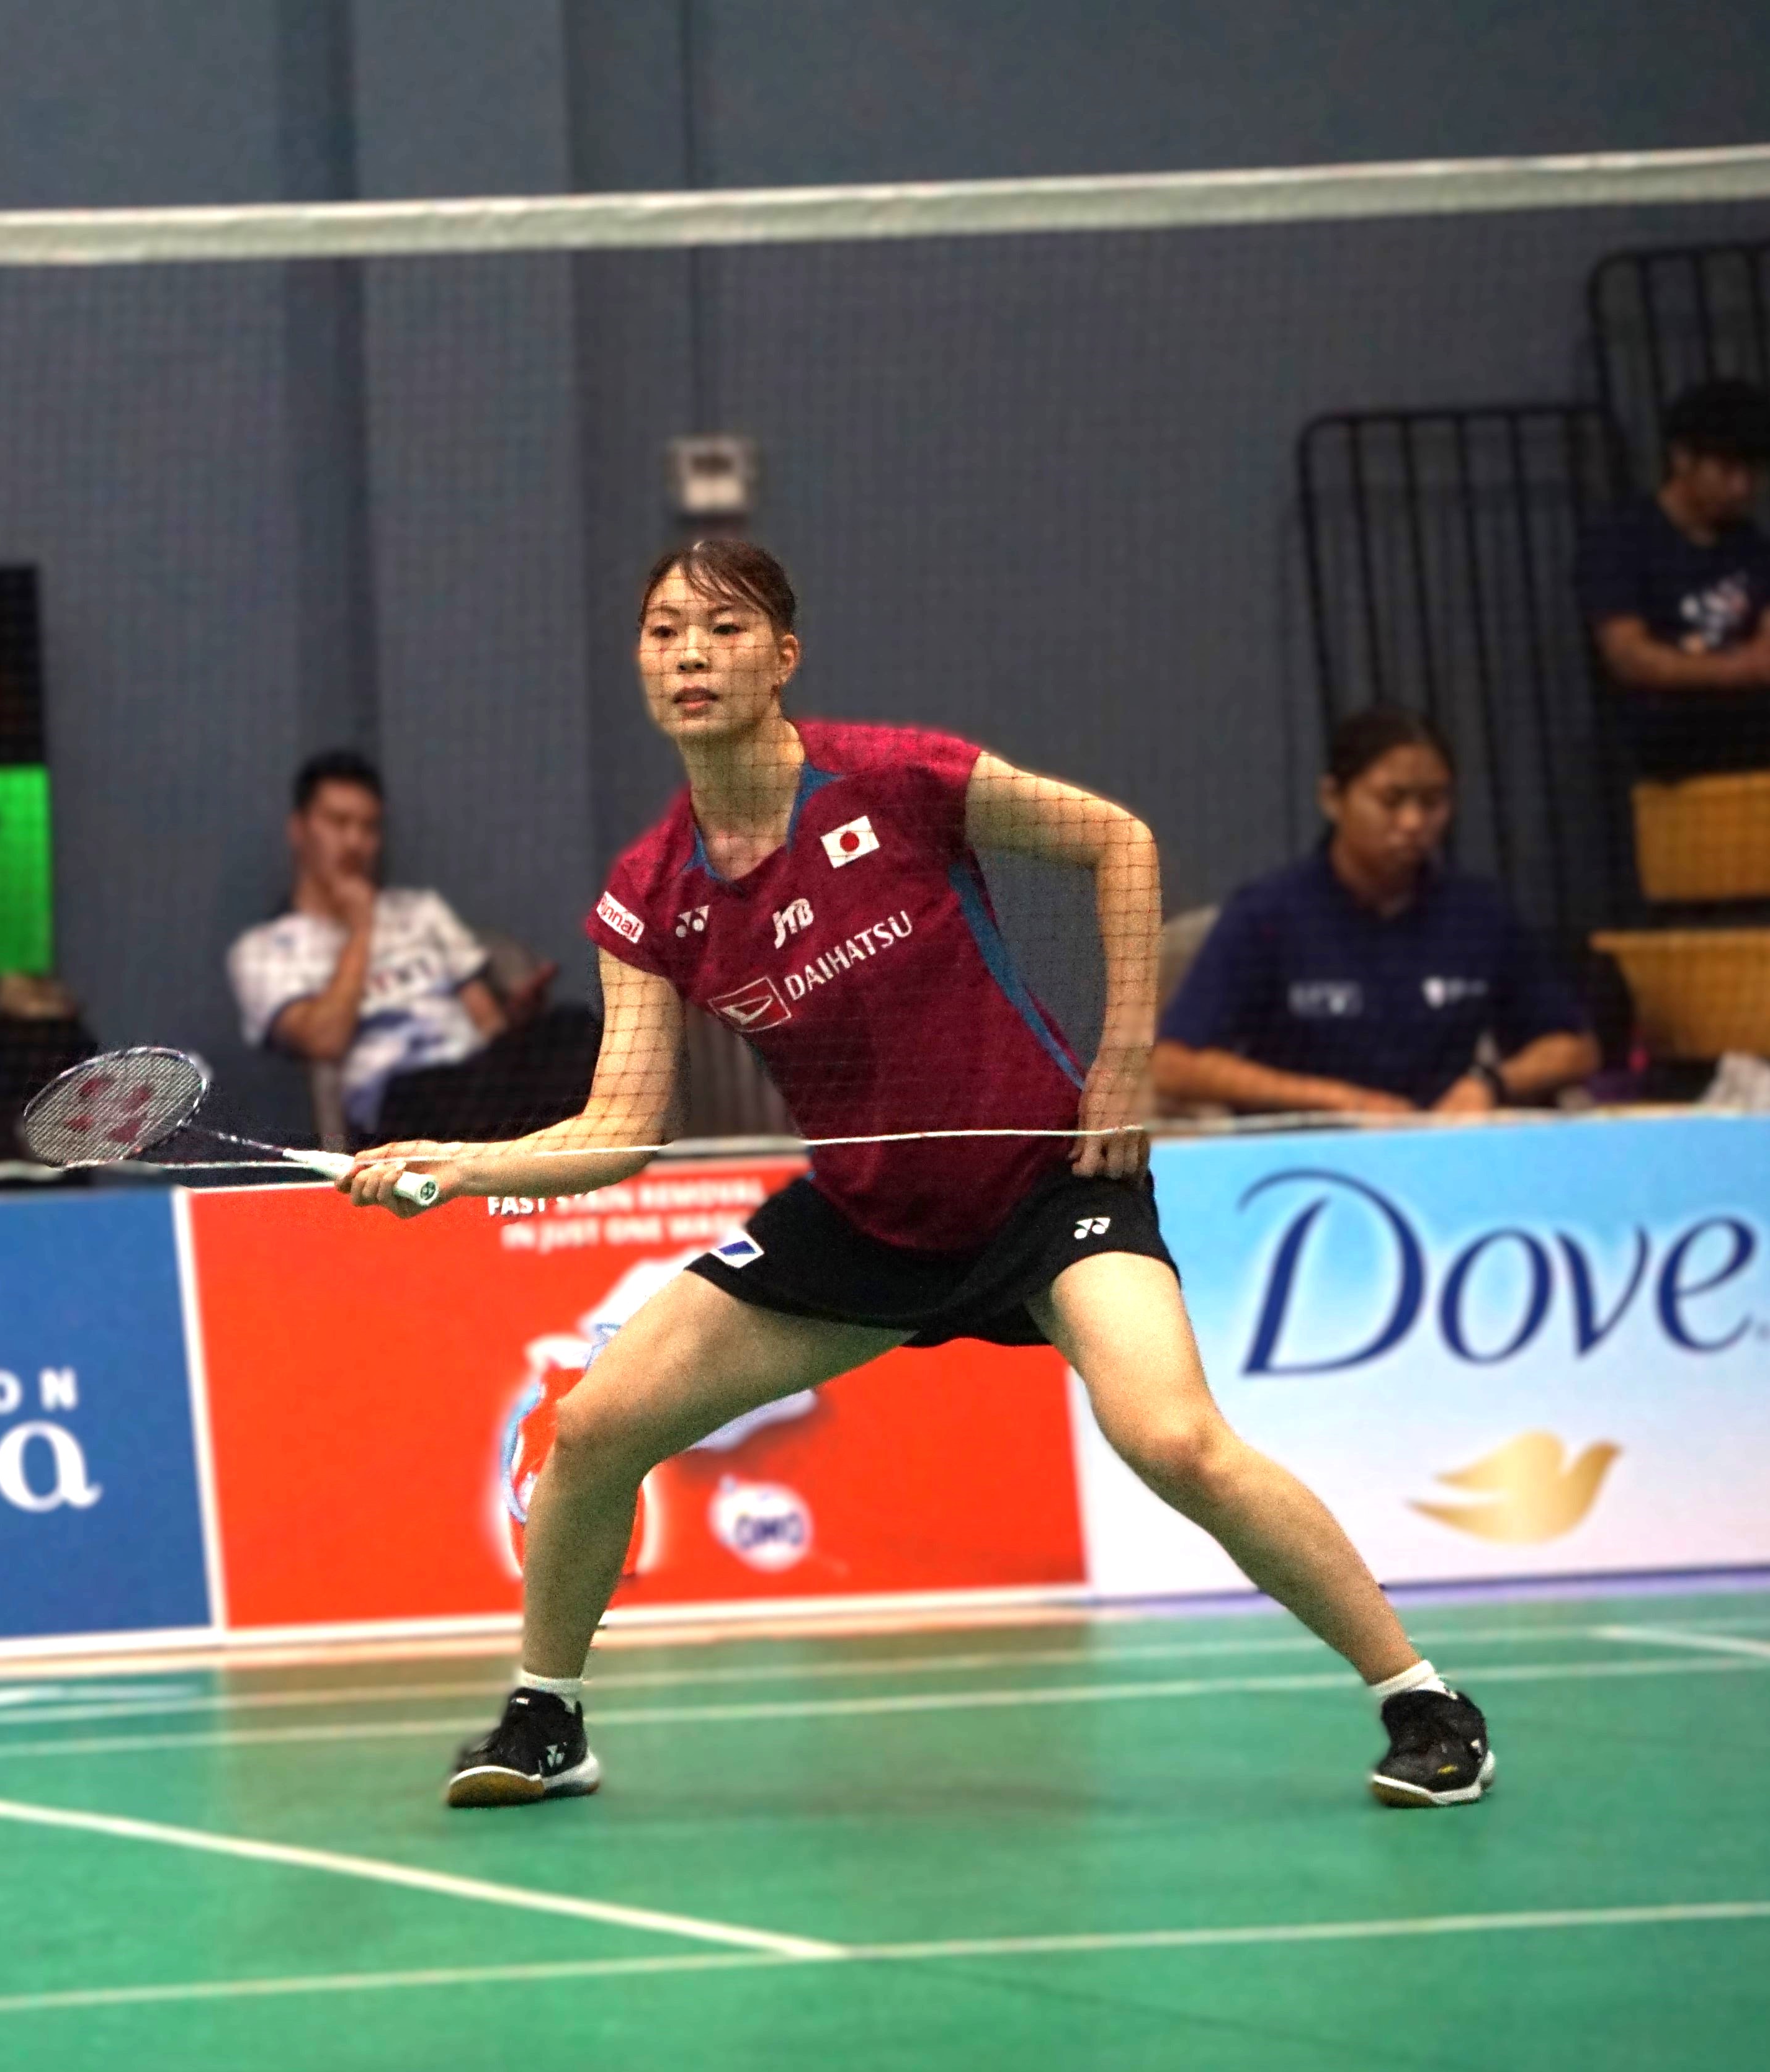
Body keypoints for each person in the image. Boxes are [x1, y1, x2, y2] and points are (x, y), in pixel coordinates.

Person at [342, 538, 1493, 1814]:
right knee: (599, 1422)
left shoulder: (893, 779)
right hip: (867, 1221)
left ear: (782, 657)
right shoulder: (650, 893)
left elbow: (1118, 841)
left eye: (723, 631)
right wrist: (459, 1167)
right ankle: (543, 1717)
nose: (689, 655)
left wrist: (1122, 1065)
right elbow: (619, 1125)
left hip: (1050, 1189)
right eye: (665, 630)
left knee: (1172, 1436)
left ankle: (1425, 1700)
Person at [1154, 707, 1599, 1117]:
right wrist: (1341, 1102)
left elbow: (1573, 1046)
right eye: (1391, 800)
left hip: (1444, 1143)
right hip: (1307, 1152)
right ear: (1333, 798)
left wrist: (1490, 1083)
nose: (1412, 822)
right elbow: (1175, 1062)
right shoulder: (1267, 914)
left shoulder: (1478, 913)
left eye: (1432, 802)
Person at [227, 747, 593, 1142]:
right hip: (396, 1103)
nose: (354, 841)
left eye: (368, 827)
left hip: (478, 1083)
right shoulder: (264, 950)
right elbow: (325, 1040)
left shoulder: (421, 911)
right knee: (456, 1092)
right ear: (298, 829)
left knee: (575, 1029)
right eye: (338, 822)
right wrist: (362, 927)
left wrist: (519, 1025)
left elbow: (487, 1024)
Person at [1578, 375, 1770, 780]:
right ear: (1681, 459)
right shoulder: (1622, 539)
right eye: (1727, 470)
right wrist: (1738, 669)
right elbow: (1629, 656)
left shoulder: (1750, 545)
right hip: (1669, 742)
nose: (1741, 488)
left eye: (1752, 474)